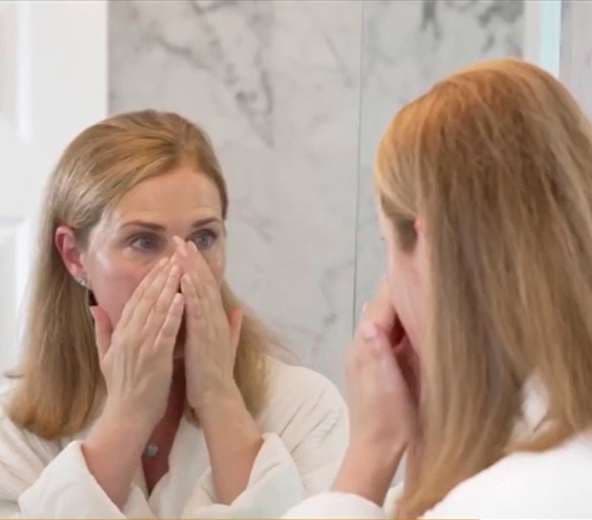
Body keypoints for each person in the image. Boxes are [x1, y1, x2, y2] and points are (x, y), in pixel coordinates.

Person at [285, 59, 592, 519]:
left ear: (429, 251)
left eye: (387, 246)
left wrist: (372, 450)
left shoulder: (495, 505)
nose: (388, 288)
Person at [0, 110, 347, 518]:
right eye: (143, 241)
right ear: (74, 255)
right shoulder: (13, 430)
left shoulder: (303, 407)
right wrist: (128, 415)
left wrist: (219, 398)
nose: (183, 270)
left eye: (204, 237)